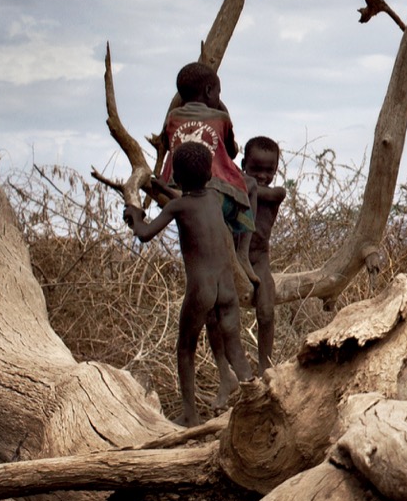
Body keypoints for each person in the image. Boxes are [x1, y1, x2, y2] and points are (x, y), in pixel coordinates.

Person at [124, 142, 254, 423]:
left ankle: (190, 416)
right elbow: (188, 199)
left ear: (179, 178)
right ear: (209, 176)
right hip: (227, 289)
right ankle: (255, 398)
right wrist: (161, 189)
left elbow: (145, 234)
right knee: (235, 348)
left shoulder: (177, 206)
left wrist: (134, 216)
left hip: (201, 290)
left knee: (186, 348)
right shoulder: (213, 199)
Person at [160, 62, 255, 282]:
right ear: (209, 91)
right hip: (213, 192)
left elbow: (166, 142)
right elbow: (230, 152)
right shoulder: (220, 118)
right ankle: (243, 255)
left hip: (174, 189)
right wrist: (222, 108)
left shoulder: (172, 118)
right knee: (249, 186)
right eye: (218, 92)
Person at [241, 135, 291, 369]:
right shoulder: (237, 188)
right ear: (244, 166)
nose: (263, 176)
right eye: (255, 169)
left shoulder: (276, 193)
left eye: (269, 170)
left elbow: (258, 191)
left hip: (259, 257)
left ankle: (265, 367)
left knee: (266, 311)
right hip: (233, 256)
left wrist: (242, 182)